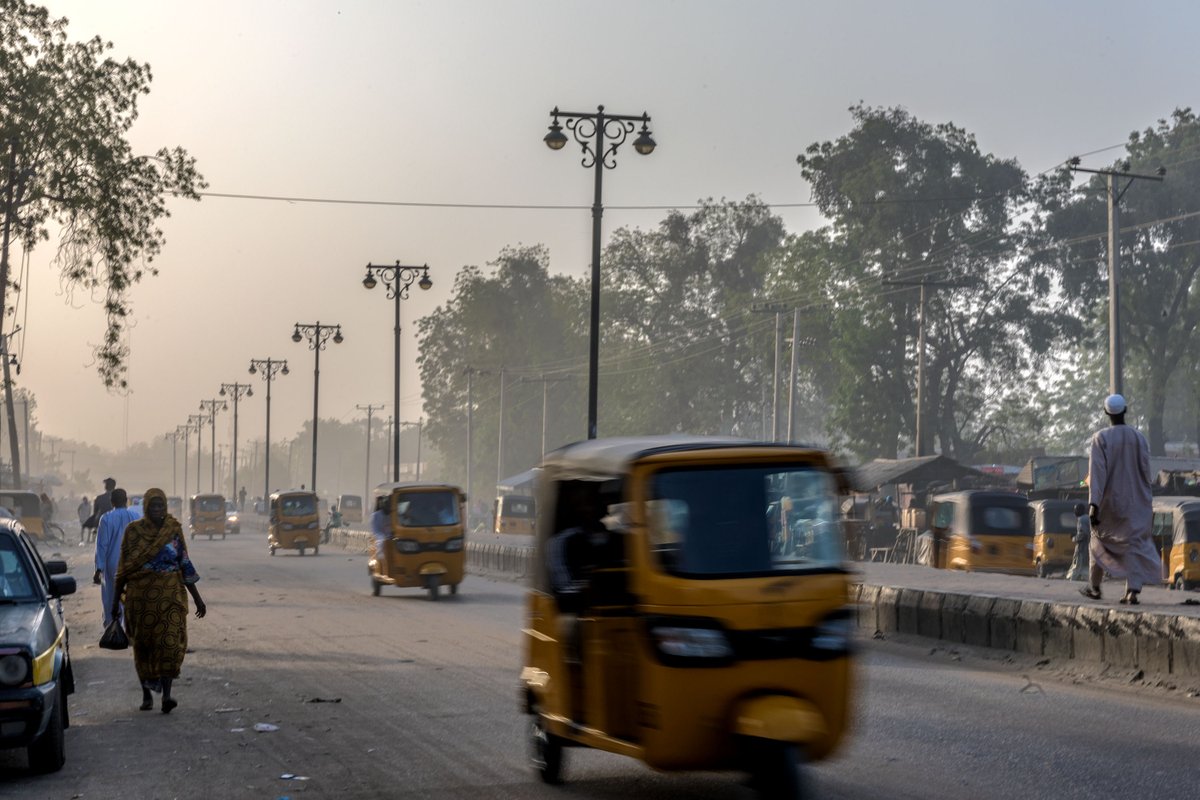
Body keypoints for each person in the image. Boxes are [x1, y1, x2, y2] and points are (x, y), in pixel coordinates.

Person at [112, 488, 206, 714]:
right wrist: (115, 603)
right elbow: (123, 569)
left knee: (170, 645)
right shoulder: (133, 532)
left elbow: (184, 563)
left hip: (170, 597)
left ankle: (167, 695)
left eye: (161, 506)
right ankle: (146, 695)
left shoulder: (173, 530)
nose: (157, 510)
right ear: (146, 507)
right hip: (140, 600)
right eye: (153, 506)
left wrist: (198, 599)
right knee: (144, 648)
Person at [1080, 394, 1161, 605]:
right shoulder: (1139, 438)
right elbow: (1147, 473)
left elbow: (1097, 474)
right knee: (1133, 545)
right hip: (1137, 501)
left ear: (1107, 413)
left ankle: (1095, 587)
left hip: (1110, 503)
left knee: (1098, 541)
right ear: (1125, 411)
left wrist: (1093, 505)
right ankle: (1132, 591)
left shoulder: (1101, 438)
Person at [94, 488, 141, 627]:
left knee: (110, 596)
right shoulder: (136, 517)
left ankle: (111, 627)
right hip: (132, 565)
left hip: (112, 564)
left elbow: (102, 545)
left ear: (111, 501)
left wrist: (98, 569)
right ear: (126, 500)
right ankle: (131, 630)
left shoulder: (106, 518)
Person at [1065, 502, 1091, 582]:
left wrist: (1074, 538)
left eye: (1075, 510)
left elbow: (1082, 534)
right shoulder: (1088, 518)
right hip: (1089, 546)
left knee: (1077, 564)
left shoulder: (1081, 519)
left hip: (1082, 547)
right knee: (1085, 566)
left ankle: (1072, 580)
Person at [370, 496, 391, 566]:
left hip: (391, 535)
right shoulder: (376, 515)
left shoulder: (393, 515)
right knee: (382, 542)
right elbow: (376, 530)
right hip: (380, 535)